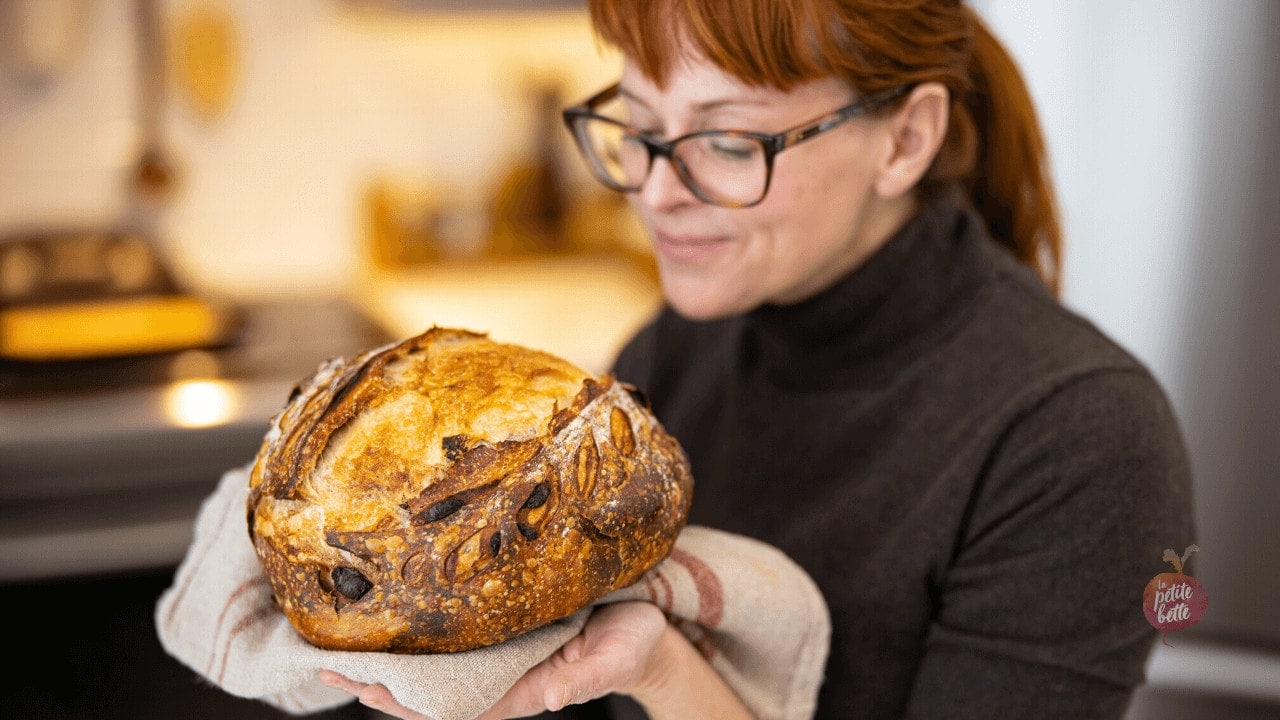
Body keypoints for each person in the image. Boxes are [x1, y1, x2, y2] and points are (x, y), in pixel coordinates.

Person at [319, 0, 1196, 717]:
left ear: (904, 141)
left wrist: (659, 670)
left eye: (730, 142)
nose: (658, 192)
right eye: (640, 125)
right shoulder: (672, 350)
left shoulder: (1079, 440)